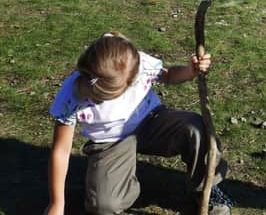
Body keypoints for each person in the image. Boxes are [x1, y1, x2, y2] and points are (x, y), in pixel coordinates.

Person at [45, 31, 233, 215]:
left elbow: (167, 75)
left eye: (100, 98)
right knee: (103, 205)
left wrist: (189, 71)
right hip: (110, 142)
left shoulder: (136, 63)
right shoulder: (71, 94)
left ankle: (207, 190)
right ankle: (122, 182)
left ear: (131, 81)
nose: (90, 98)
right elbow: (61, 151)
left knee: (196, 128)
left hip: (152, 121)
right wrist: (57, 203)